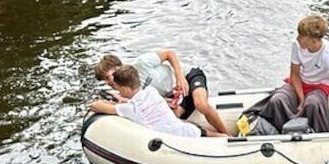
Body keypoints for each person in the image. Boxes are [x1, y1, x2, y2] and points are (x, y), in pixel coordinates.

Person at [256, 15, 329, 133]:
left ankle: (311, 134)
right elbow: (294, 74)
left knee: (312, 104)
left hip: (319, 86)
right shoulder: (296, 44)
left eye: (301, 36)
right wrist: (301, 99)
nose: (297, 38)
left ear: (313, 40)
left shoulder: (327, 52)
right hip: (300, 82)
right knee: (277, 100)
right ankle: (281, 132)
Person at [94, 50, 230, 135]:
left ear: (118, 68)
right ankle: (205, 137)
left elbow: (170, 54)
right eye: (104, 80)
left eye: (108, 77)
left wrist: (180, 77)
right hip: (175, 95)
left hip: (188, 76)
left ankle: (228, 135)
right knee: (173, 118)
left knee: (200, 104)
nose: (108, 82)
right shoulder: (124, 84)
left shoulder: (141, 63)